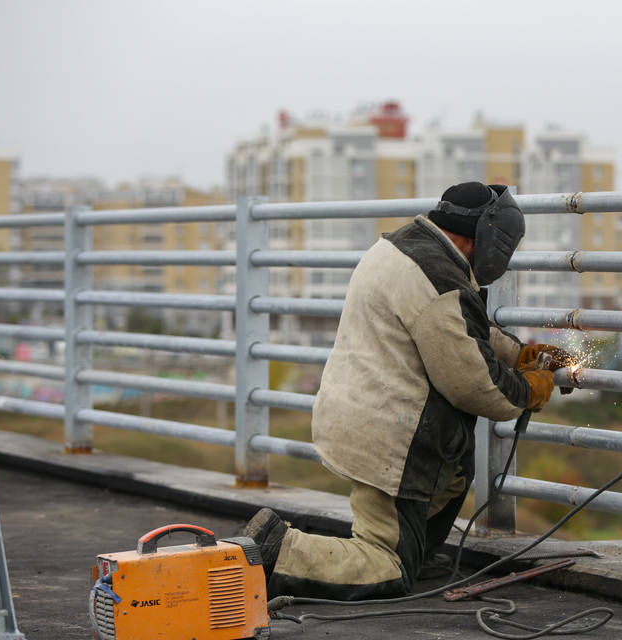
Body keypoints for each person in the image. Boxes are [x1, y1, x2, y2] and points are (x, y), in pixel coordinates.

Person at [244, 181, 572, 600]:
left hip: (361, 415)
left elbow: (457, 329)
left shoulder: (407, 247)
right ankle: (283, 550)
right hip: (388, 438)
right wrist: (531, 388)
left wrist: (520, 354)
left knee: (453, 474)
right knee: (385, 566)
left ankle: (411, 553)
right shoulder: (441, 281)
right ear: (488, 238)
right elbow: (478, 386)